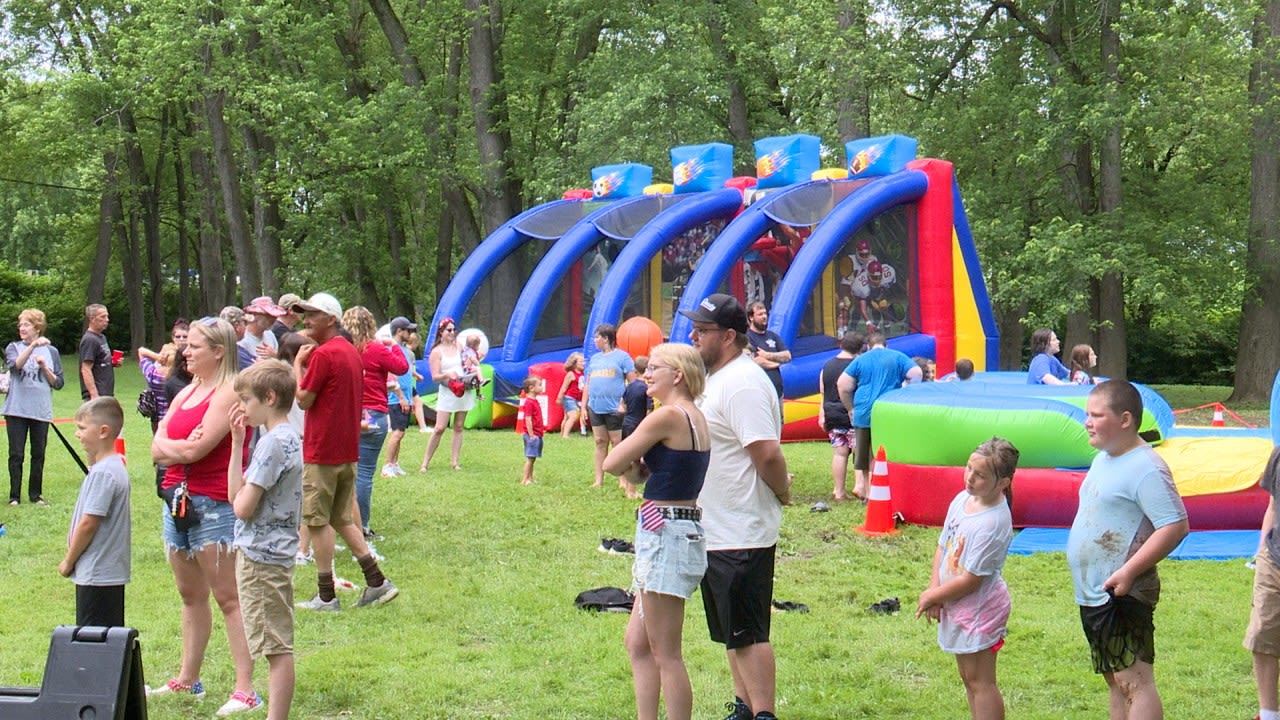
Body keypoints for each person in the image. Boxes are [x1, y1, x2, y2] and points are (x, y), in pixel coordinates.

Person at [681, 293, 790, 720]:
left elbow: (766, 453)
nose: (693, 338)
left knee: (748, 631)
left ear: (728, 336)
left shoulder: (744, 382)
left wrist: (782, 492)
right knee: (731, 632)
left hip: (742, 528)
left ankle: (763, 713)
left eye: (702, 331)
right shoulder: (719, 379)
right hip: (718, 527)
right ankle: (744, 707)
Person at [147, 317, 255, 705]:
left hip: (214, 504)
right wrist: (174, 445)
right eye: (186, 345)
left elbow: (195, 449)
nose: (184, 351)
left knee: (228, 597)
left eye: (194, 346)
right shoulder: (189, 389)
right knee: (190, 594)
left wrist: (173, 445)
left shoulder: (228, 392)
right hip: (176, 499)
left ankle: (246, 689)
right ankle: (187, 679)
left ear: (218, 351)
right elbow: (156, 445)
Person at [1066, 380, 1188, 719]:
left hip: (1123, 590)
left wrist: (1129, 571)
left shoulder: (1146, 467)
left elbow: (1175, 526)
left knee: (1135, 681)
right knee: (1116, 679)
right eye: (1087, 414)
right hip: (1094, 590)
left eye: (1096, 415)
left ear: (1124, 419)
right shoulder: (1103, 459)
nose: (1087, 422)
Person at [602, 343, 711, 720]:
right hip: (666, 528)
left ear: (678, 374)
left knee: (667, 653)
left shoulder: (665, 417)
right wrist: (638, 467)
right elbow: (640, 473)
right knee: (637, 643)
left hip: (667, 534)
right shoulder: (693, 415)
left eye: (655, 368)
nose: (646, 373)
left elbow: (614, 463)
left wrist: (630, 457)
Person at [289, 293, 397, 611]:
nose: (306, 320)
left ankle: (326, 596)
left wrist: (298, 365)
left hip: (322, 451)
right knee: (342, 518)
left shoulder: (324, 355)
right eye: (304, 314)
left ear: (331, 319)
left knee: (318, 521)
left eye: (312, 315)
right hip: (347, 450)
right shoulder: (351, 352)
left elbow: (303, 399)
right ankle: (377, 581)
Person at [916, 437, 1019, 720]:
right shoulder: (963, 499)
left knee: (981, 682)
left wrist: (933, 597)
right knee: (968, 677)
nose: (970, 478)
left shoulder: (993, 523)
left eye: (980, 475)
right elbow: (943, 545)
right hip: (956, 602)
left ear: (1003, 483)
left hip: (979, 610)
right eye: (969, 469)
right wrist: (935, 588)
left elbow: (971, 580)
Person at [227, 360, 304, 720]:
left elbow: (241, 508)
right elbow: (235, 496)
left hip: (261, 557)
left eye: (246, 399)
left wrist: (243, 494)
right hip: (274, 554)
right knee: (275, 641)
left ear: (269, 397)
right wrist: (237, 443)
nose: (241, 407)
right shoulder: (285, 437)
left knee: (276, 647)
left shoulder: (273, 444)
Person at [59, 397, 130, 627]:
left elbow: (89, 523)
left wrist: (69, 561)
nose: (77, 434)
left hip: (96, 574)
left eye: (81, 428)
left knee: (94, 642)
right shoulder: (109, 466)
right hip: (105, 573)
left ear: (103, 431)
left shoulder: (104, 474)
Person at [344, 306, 408, 537]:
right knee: (365, 474)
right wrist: (394, 346)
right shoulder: (377, 348)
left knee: (342, 472)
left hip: (347, 414)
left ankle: (339, 523)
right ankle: (362, 526)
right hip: (374, 414)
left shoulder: (344, 348)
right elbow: (401, 368)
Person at [836, 332, 921, 500]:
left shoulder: (860, 360)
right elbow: (917, 373)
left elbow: (843, 385)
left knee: (864, 457)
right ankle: (888, 490)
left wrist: (850, 408)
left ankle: (868, 492)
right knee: (887, 452)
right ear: (886, 345)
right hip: (888, 411)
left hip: (863, 412)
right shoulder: (897, 357)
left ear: (868, 346)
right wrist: (906, 392)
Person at [5, 308, 65, 505]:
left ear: (37, 327)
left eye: (26, 324)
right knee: (16, 454)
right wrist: (31, 348)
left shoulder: (51, 352)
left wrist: (44, 367)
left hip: (40, 410)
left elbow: (58, 383)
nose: (21, 328)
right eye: (20, 324)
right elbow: (15, 367)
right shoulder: (13, 347)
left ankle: (35, 494)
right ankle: (14, 496)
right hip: (16, 410)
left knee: (38, 454)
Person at [1247, 444, 1280, 720]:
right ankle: (1269, 714)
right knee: (1262, 634)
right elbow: (1273, 505)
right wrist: (1261, 551)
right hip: (1273, 559)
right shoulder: (1279, 453)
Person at [582, 323, 636, 491]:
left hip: (615, 408)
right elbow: (588, 383)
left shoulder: (622, 357)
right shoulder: (595, 359)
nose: (594, 340)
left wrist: (625, 403)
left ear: (606, 338)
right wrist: (584, 406)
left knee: (617, 442)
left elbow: (633, 383)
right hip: (595, 406)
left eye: (597, 337)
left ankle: (622, 479)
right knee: (599, 441)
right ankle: (598, 479)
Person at [419, 318, 475, 472]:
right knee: (440, 427)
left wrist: (470, 366)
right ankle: (425, 463)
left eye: (453, 329)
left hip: (462, 388)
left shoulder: (459, 346)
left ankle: (455, 462)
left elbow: (466, 362)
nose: (452, 333)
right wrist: (447, 374)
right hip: (448, 390)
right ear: (441, 332)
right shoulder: (436, 352)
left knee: (458, 426)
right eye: (448, 330)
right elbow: (435, 376)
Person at [818, 332, 863, 501]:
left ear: (841, 345)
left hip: (832, 414)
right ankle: (860, 486)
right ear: (859, 349)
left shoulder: (827, 365)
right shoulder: (857, 365)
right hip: (851, 414)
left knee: (840, 453)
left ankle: (839, 490)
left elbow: (822, 391)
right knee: (860, 452)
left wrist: (822, 414)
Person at [382, 316, 418, 478]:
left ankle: (394, 464)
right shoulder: (391, 349)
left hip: (405, 397)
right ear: (399, 331)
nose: (410, 333)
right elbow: (390, 375)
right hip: (396, 398)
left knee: (401, 432)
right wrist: (402, 397)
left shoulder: (404, 350)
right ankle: (387, 465)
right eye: (408, 330)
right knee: (397, 432)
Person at [746, 302, 791, 403]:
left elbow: (787, 355)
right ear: (751, 317)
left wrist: (768, 355)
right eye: (760, 314)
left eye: (765, 313)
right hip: (760, 394)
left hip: (778, 392)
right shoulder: (747, 337)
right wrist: (776, 364)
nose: (764, 317)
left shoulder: (772, 336)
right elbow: (757, 361)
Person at [138, 343, 178, 433]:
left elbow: (141, 351)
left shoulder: (152, 374)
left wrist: (157, 357)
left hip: (157, 419)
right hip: (175, 418)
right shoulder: (179, 377)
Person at [79, 303, 114, 400]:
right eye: (102, 317)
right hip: (96, 394)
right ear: (92, 319)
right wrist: (94, 394)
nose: (107, 320)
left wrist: (113, 362)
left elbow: (100, 361)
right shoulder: (90, 340)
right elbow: (85, 368)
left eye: (107, 316)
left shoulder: (101, 337)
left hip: (106, 392)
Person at [241, 296, 286, 362]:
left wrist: (276, 355)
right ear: (255, 315)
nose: (273, 319)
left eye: (274, 316)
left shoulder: (270, 335)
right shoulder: (242, 338)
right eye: (268, 315)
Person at [519, 376, 545, 485]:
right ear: (531, 388)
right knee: (530, 458)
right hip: (532, 435)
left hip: (537, 434)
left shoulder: (534, 401)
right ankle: (524, 479)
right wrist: (531, 434)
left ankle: (530, 477)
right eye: (540, 385)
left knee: (533, 458)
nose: (542, 387)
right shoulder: (529, 402)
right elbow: (528, 419)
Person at [621, 356, 653, 440]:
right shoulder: (647, 388)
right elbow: (649, 409)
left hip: (626, 423)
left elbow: (623, 404)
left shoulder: (629, 386)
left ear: (635, 370)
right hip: (639, 424)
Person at [556, 352, 587, 438]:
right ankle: (565, 435)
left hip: (577, 398)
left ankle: (562, 434)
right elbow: (564, 387)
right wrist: (559, 398)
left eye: (583, 362)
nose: (583, 363)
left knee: (566, 417)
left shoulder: (582, 374)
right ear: (574, 363)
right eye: (581, 362)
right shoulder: (571, 374)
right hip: (569, 398)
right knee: (573, 416)